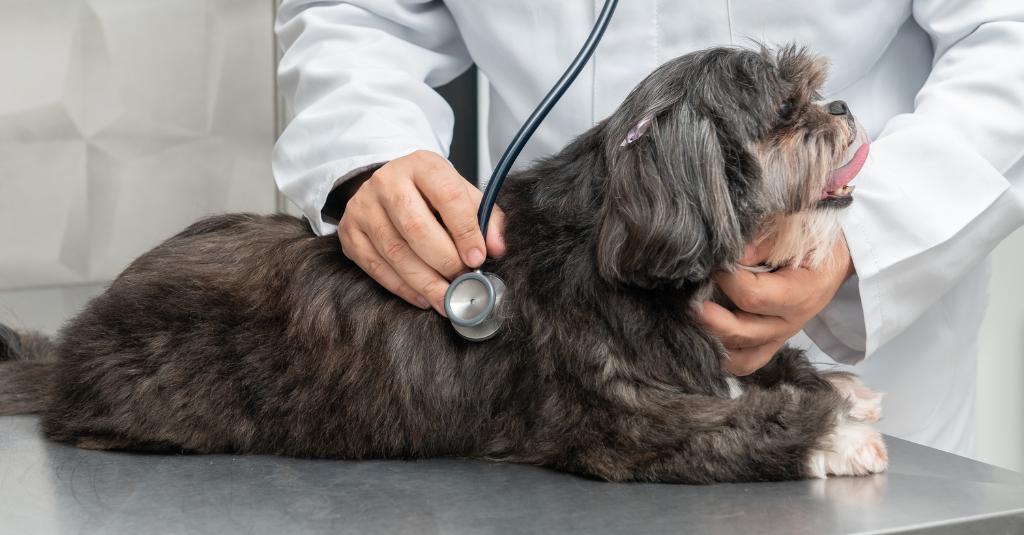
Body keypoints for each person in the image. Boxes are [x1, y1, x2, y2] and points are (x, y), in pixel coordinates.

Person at [272, 1, 1024, 457]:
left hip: (865, 314)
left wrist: (874, 230)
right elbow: (358, 12)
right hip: (559, 338)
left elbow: (1008, 29)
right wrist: (366, 151)